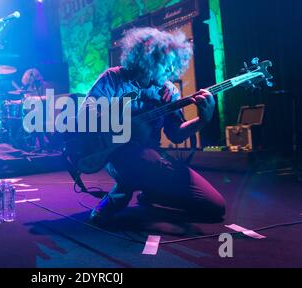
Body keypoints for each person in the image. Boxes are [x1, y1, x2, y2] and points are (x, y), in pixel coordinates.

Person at [85, 27, 226, 224]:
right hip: (113, 154)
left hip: (153, 157)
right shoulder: (113, 78)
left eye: (173, 66)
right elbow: (86, 115)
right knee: (146, 158)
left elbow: (175, 134)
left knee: (214, 205)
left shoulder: (167, 89)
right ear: (146, 60)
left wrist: (203, 119)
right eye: (165, 65)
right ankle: (119, 195)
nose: (171, 71)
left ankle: (147, 189)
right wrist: (124, 122)